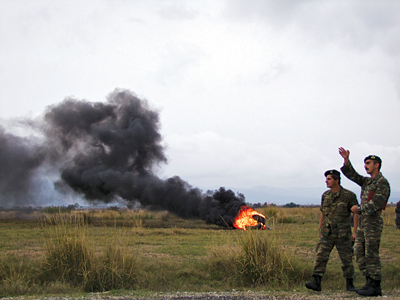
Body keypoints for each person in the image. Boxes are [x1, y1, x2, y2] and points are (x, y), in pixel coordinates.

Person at [338, 148, 391, 297]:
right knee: (359, 253)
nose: (365, 166)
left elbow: (377, 203)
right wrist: (346, 161)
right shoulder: (367, 182)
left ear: (377, 165)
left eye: (368, 163)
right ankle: (368, 281)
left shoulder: (382, 183)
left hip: (373, 224)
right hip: (363, 224)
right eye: (365, 163)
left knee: (371, 254)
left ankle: (375, 285)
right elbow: (353, 175)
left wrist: (359, 209)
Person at [306, 169, 359, 292]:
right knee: (320, 256)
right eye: (326, 179)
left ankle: (350, 283)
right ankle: (316, 281)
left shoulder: (348, 196)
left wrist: (355, 231)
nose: (326, 181)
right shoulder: (326, 195)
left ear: (336, 180)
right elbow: (323, 213)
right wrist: (320, 227)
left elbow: (356, 213)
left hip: (343, 233)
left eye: (329, 179)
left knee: (346, 259)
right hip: (327, 232)